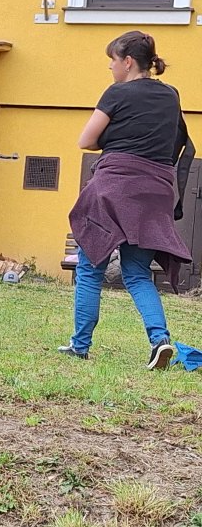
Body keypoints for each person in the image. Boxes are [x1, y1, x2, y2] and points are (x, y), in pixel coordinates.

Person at [59, 31, 192, 370]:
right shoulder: (170, 95)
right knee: (137, 273)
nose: (110, 66)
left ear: (128, 62)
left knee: (90, 268)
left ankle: (80, 346)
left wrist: (114, 137)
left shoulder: (117, 93)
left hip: (114, 188)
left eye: (113, 60)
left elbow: (86, 140)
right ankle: (159, 340)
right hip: (155, 191)